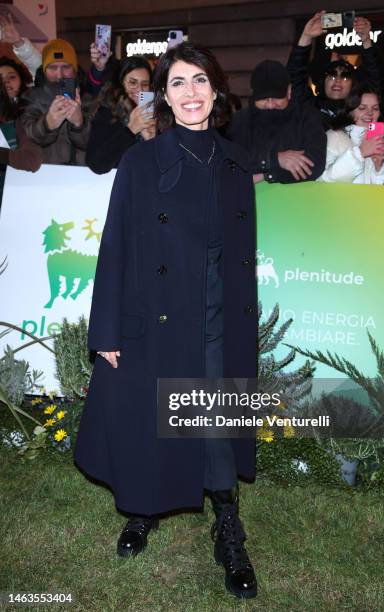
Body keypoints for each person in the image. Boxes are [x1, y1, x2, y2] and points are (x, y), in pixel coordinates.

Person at [74, 42, 258, 599]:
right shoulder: (141, 161)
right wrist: (106, 329)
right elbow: (114, 248)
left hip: (215, 319)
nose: (191, 93)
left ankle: (228, 527)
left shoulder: (234, 163)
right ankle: (143, 509)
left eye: (200, 80)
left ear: (216, 90)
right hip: (153, 317)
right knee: (147, 421)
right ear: (164, 97)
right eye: (178, 83)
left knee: (216, 426)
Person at [227, 59, 326, 183]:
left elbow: (314, 165)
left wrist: (266, 175)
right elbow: (232, 164)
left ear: (289, 91)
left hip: (297, 198)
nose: (270, 105)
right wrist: (275, 159)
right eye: (263, 99)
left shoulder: (308, 117)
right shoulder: (239, 121)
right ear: (253, 94)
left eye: (276, 98)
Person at [287, 12, 380, 129]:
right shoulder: (310, 108)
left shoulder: (364, 113)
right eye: (332, 75)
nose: (338, 80)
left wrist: (366, 41)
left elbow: (374, 76)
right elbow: (295, 77)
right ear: (323, 81)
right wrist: (306, 36)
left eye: (345, 76)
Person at [20, 39, 91, 165]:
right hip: (47, 175)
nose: (60, 74)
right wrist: (47, 124)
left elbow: (94, 144)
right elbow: (27, 138)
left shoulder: (89, 97)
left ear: (74, 69)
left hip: (83, 177)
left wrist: (79, 124)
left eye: (66, 67)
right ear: (44, 70)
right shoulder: (31, 97)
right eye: (53, 67)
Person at [86, 57, 155, 174]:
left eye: (145, 84)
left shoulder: (159, 113)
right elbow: (97, 164)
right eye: (132, 83)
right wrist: (131, 129)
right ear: (121, 82)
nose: (139, 89)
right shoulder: (107, 113)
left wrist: (152, 141)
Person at [317, 85, 384, 184]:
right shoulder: (334, 136)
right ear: (350, 111)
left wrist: (379, 168)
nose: (370, 113)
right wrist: (360, 153)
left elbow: (380, 192)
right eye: (362, 108)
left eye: (375, 108)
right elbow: (322, 180)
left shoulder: (373, 141)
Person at [0, 58, 42, 206]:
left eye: (11, 77)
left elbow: (31, 161)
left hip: (22, 194)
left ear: (22, 80)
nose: (6, 82)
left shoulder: (29, 113)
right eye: (0, 79)